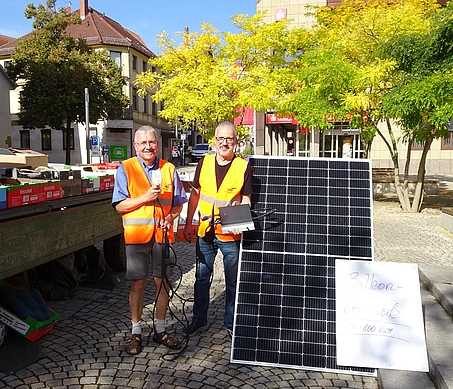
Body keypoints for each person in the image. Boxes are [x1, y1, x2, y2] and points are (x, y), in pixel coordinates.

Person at [112, 125, 188, 355]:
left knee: (162, 281)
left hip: (162, 236)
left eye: (151, 142)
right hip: (137, 237)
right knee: (138, 283)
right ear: (135, 146)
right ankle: (135, 331)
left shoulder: (168, 169)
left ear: (157, 144)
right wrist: (145, 197)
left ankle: (161, 329)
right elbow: (119, 205)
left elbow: (178, 202)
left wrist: (171, 217)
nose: (148, 146)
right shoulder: (126, 168)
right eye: (143, 143)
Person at [183, 121, 253, 339]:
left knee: (232, 280)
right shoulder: (204, 162)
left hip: (229, 234)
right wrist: (187, 224)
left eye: (229, 139)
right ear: (214, 141)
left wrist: (239, 221)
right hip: (205, 231)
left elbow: (247, 199)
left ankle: (230, 322)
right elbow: (195, 194)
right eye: (221, 139)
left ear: (236, 142)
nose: (224, 143)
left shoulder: (243, 166)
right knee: (202, 277)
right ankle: (199, 318)